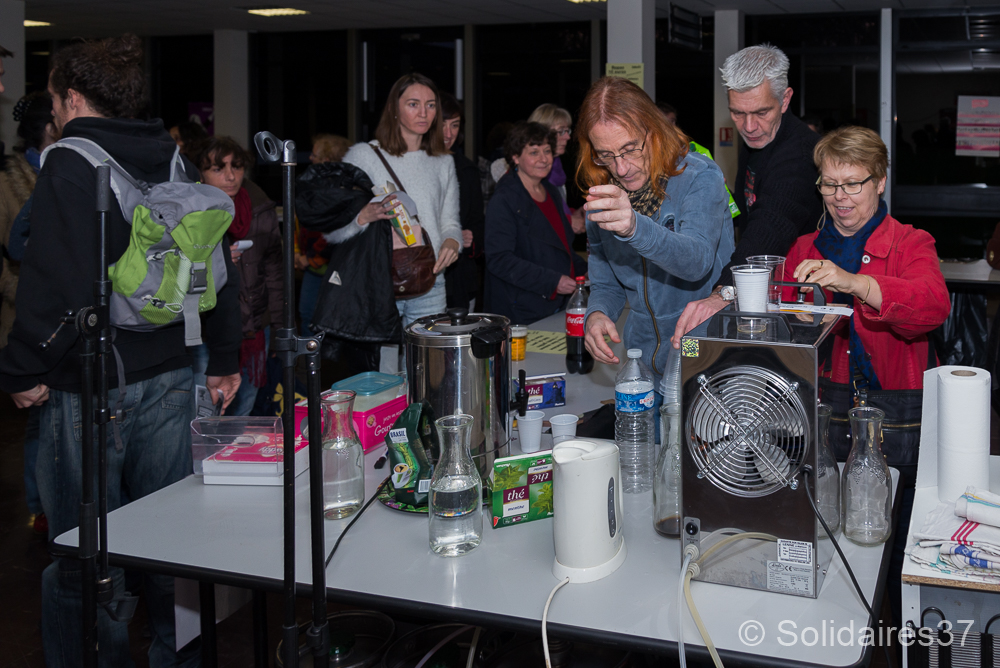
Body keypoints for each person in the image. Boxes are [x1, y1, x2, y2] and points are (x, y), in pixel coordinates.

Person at [0, 34, 241, 667]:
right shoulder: (171, 157)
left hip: (91, 382)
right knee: (169, 540)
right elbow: (212, 258)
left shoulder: (70, 160)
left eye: (54, 97)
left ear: (74, 98)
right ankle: (177, 656)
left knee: (84, 553)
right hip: (172, 372)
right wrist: (223, 358)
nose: (53, 109)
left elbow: (53, 279)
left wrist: (22, 367)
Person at [782, 125, 949, 641]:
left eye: (853, 183)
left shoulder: (911, 243)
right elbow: (785, 337)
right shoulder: (803, 248)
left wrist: (854, 283)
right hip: (824, 407)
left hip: (899, 413)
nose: (841, 197)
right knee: (828, 525)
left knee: (896, 537)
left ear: (879, 181)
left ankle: (897, 637)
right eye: (830, 184)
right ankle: (832, 633)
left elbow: (931, 307)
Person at [579, 77, 734, 390]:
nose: (621, 168)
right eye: (605, 155)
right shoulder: (605, 197)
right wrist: (597, 314)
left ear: (654, 131)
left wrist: (635, 228)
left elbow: (697, 262)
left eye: (629, 149)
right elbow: (606, 283)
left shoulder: (699, 176)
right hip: (642, 363)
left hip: (706, 360)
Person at [671, 44, 823, 347]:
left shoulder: (800, 153)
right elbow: (750, 213)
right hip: (768, 288)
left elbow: (770, 226)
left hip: (804, 300)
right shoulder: (760, 140)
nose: (749, 126)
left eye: (761, 112)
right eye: (737, 113)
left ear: (785, 100)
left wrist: (723, 293)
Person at [334, 72, 461, 372]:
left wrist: (453, 242)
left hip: (430, 277)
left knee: (427, 371)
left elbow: (450, 221)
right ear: (394, 108)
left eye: (430, 105)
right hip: (379, 279)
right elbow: (335, 225)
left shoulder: (443, 161)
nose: (423, 113)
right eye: (413, 104)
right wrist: (363, 216)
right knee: (383, 372)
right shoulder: (364, 156)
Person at [0, 91, 58, 536]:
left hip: (68, 315)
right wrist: (23, 290)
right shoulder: (8, 180)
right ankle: (40, 508)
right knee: (38, 417)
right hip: (24, 313)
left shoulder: (70, 168)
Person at [195, 136, 282, 416]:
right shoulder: (190, 212)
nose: (231, 176)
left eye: (237, 166)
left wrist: (280, 328)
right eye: (218, 168)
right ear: (200, 174)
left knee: (244, 405)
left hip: (255, 325)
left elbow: (275, 274)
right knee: (205, 410)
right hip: (207, 328)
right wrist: (214, 262)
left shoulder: (260, 207)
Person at [484, 121, 587, 324]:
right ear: (515, 157)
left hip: (558, 305)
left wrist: (586, 270)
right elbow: (499, 259)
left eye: (547, 151)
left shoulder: (551, 191)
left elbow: (562, 249)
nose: (543, 159)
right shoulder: (505, 199)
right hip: (522, 311)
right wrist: (552, 282)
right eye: (534, 152)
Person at [296, 133, 349, 334]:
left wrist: (309, 258)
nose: (310, 158)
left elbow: (333, 232)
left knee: (333, 320)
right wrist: (296, 252)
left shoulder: (342, 191)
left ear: (326, 160)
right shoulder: (311, 186)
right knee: (307, 315)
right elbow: (300, 224)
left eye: (314, 155)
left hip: (333, 266)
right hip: (311, 267)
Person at [439, 92, 485, 310]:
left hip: (459, 280)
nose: (449, 134)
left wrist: (470, 237)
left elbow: (478, 223)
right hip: (418, 279)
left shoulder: (467, 170)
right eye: (442, 124)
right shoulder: (411, 167)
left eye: (455, 125)